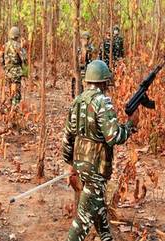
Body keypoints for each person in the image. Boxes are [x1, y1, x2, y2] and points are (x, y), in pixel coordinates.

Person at [62, 60, 139, 241]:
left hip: (81, 164)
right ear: (104, 82)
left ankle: (106, 237)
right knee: (81, 222)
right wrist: (130, 126)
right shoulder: (102, 102)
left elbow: (68, 137)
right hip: (96, 167)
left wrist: (71, 164)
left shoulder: (77, 101)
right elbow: (113, 137)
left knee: (97, 208)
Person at [2, 26, 27, 107]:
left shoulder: (5, 45)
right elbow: (24, 59)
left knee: (9, 90)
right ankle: (14, 110)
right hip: (16, 72)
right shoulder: (18, 46)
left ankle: (9, 108)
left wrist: (5, 68)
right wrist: (26, 72)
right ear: (17, 35)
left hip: (7, 71)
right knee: (16, 92)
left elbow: (1, 59)